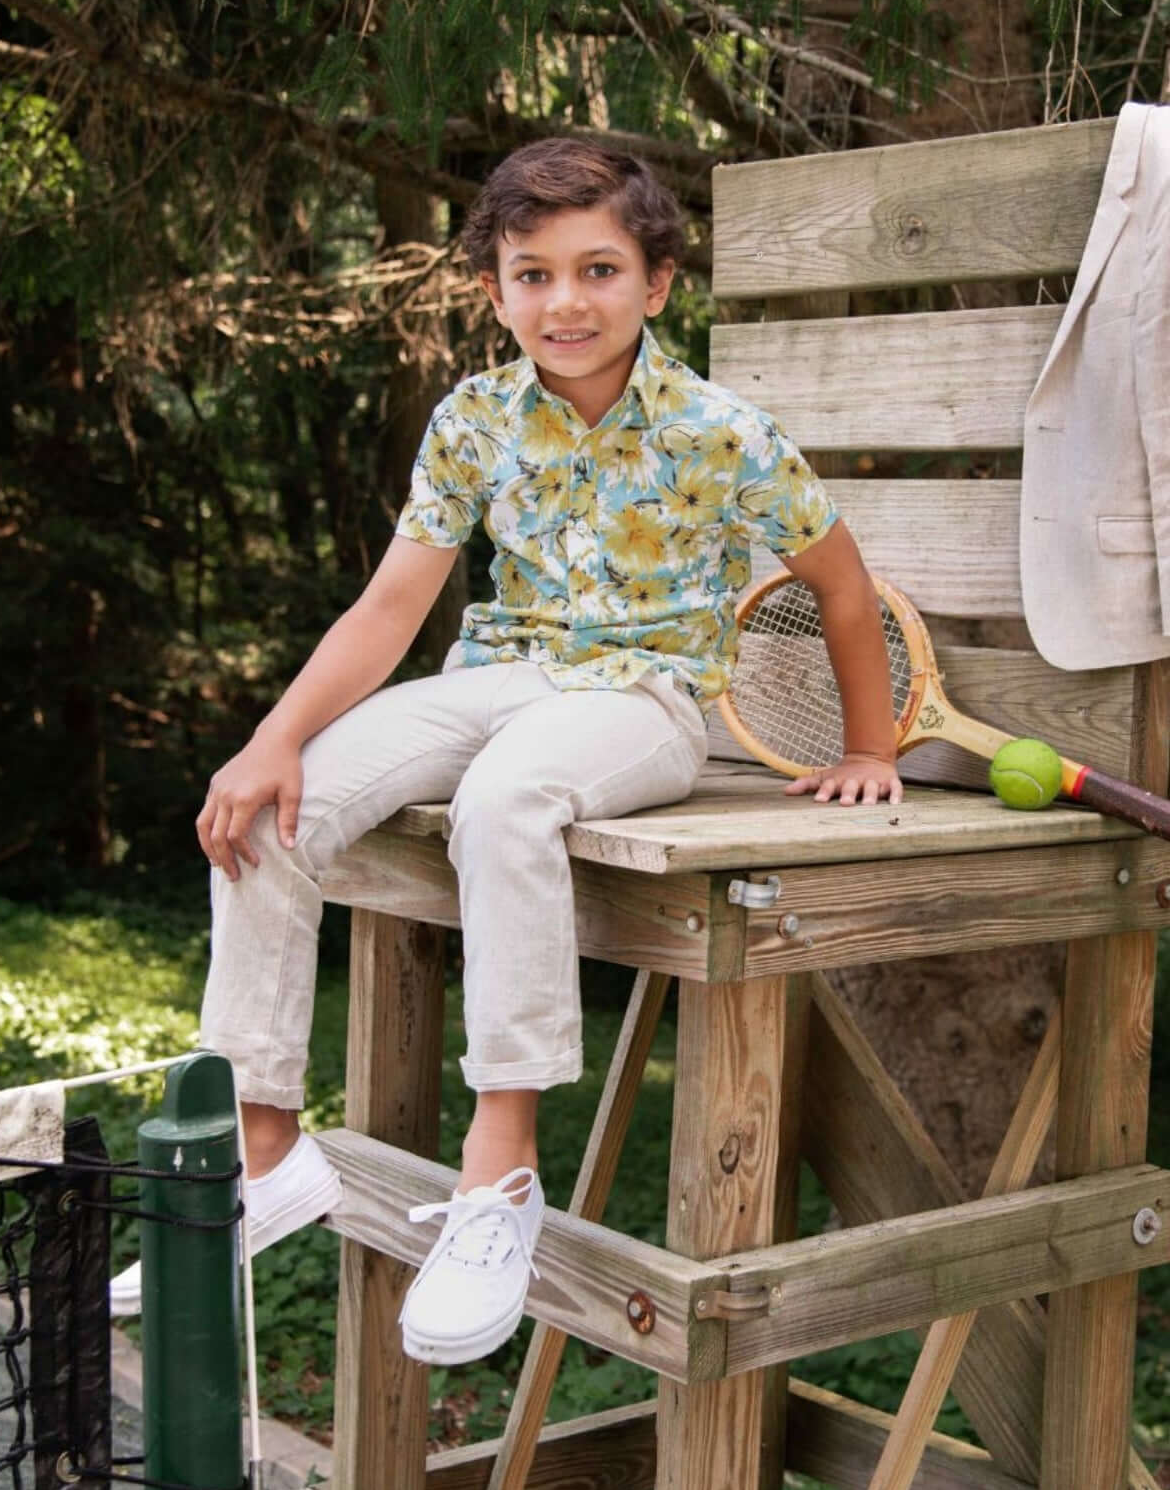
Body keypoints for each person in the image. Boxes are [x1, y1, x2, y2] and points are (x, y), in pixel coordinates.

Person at [110, 138, 903, 1363]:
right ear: (495, 292)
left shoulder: (722, 431)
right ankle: (265, 1157)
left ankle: (501, 1175)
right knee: (276, 805)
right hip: (495, 675)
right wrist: (271, 740)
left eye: (598, 270)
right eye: (533, 275)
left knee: (505, 799)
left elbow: (844, 591)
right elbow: (388, 611)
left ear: (659, 284)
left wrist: (871, 747)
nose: (566, 302)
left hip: (642, 700)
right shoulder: (476, 418)